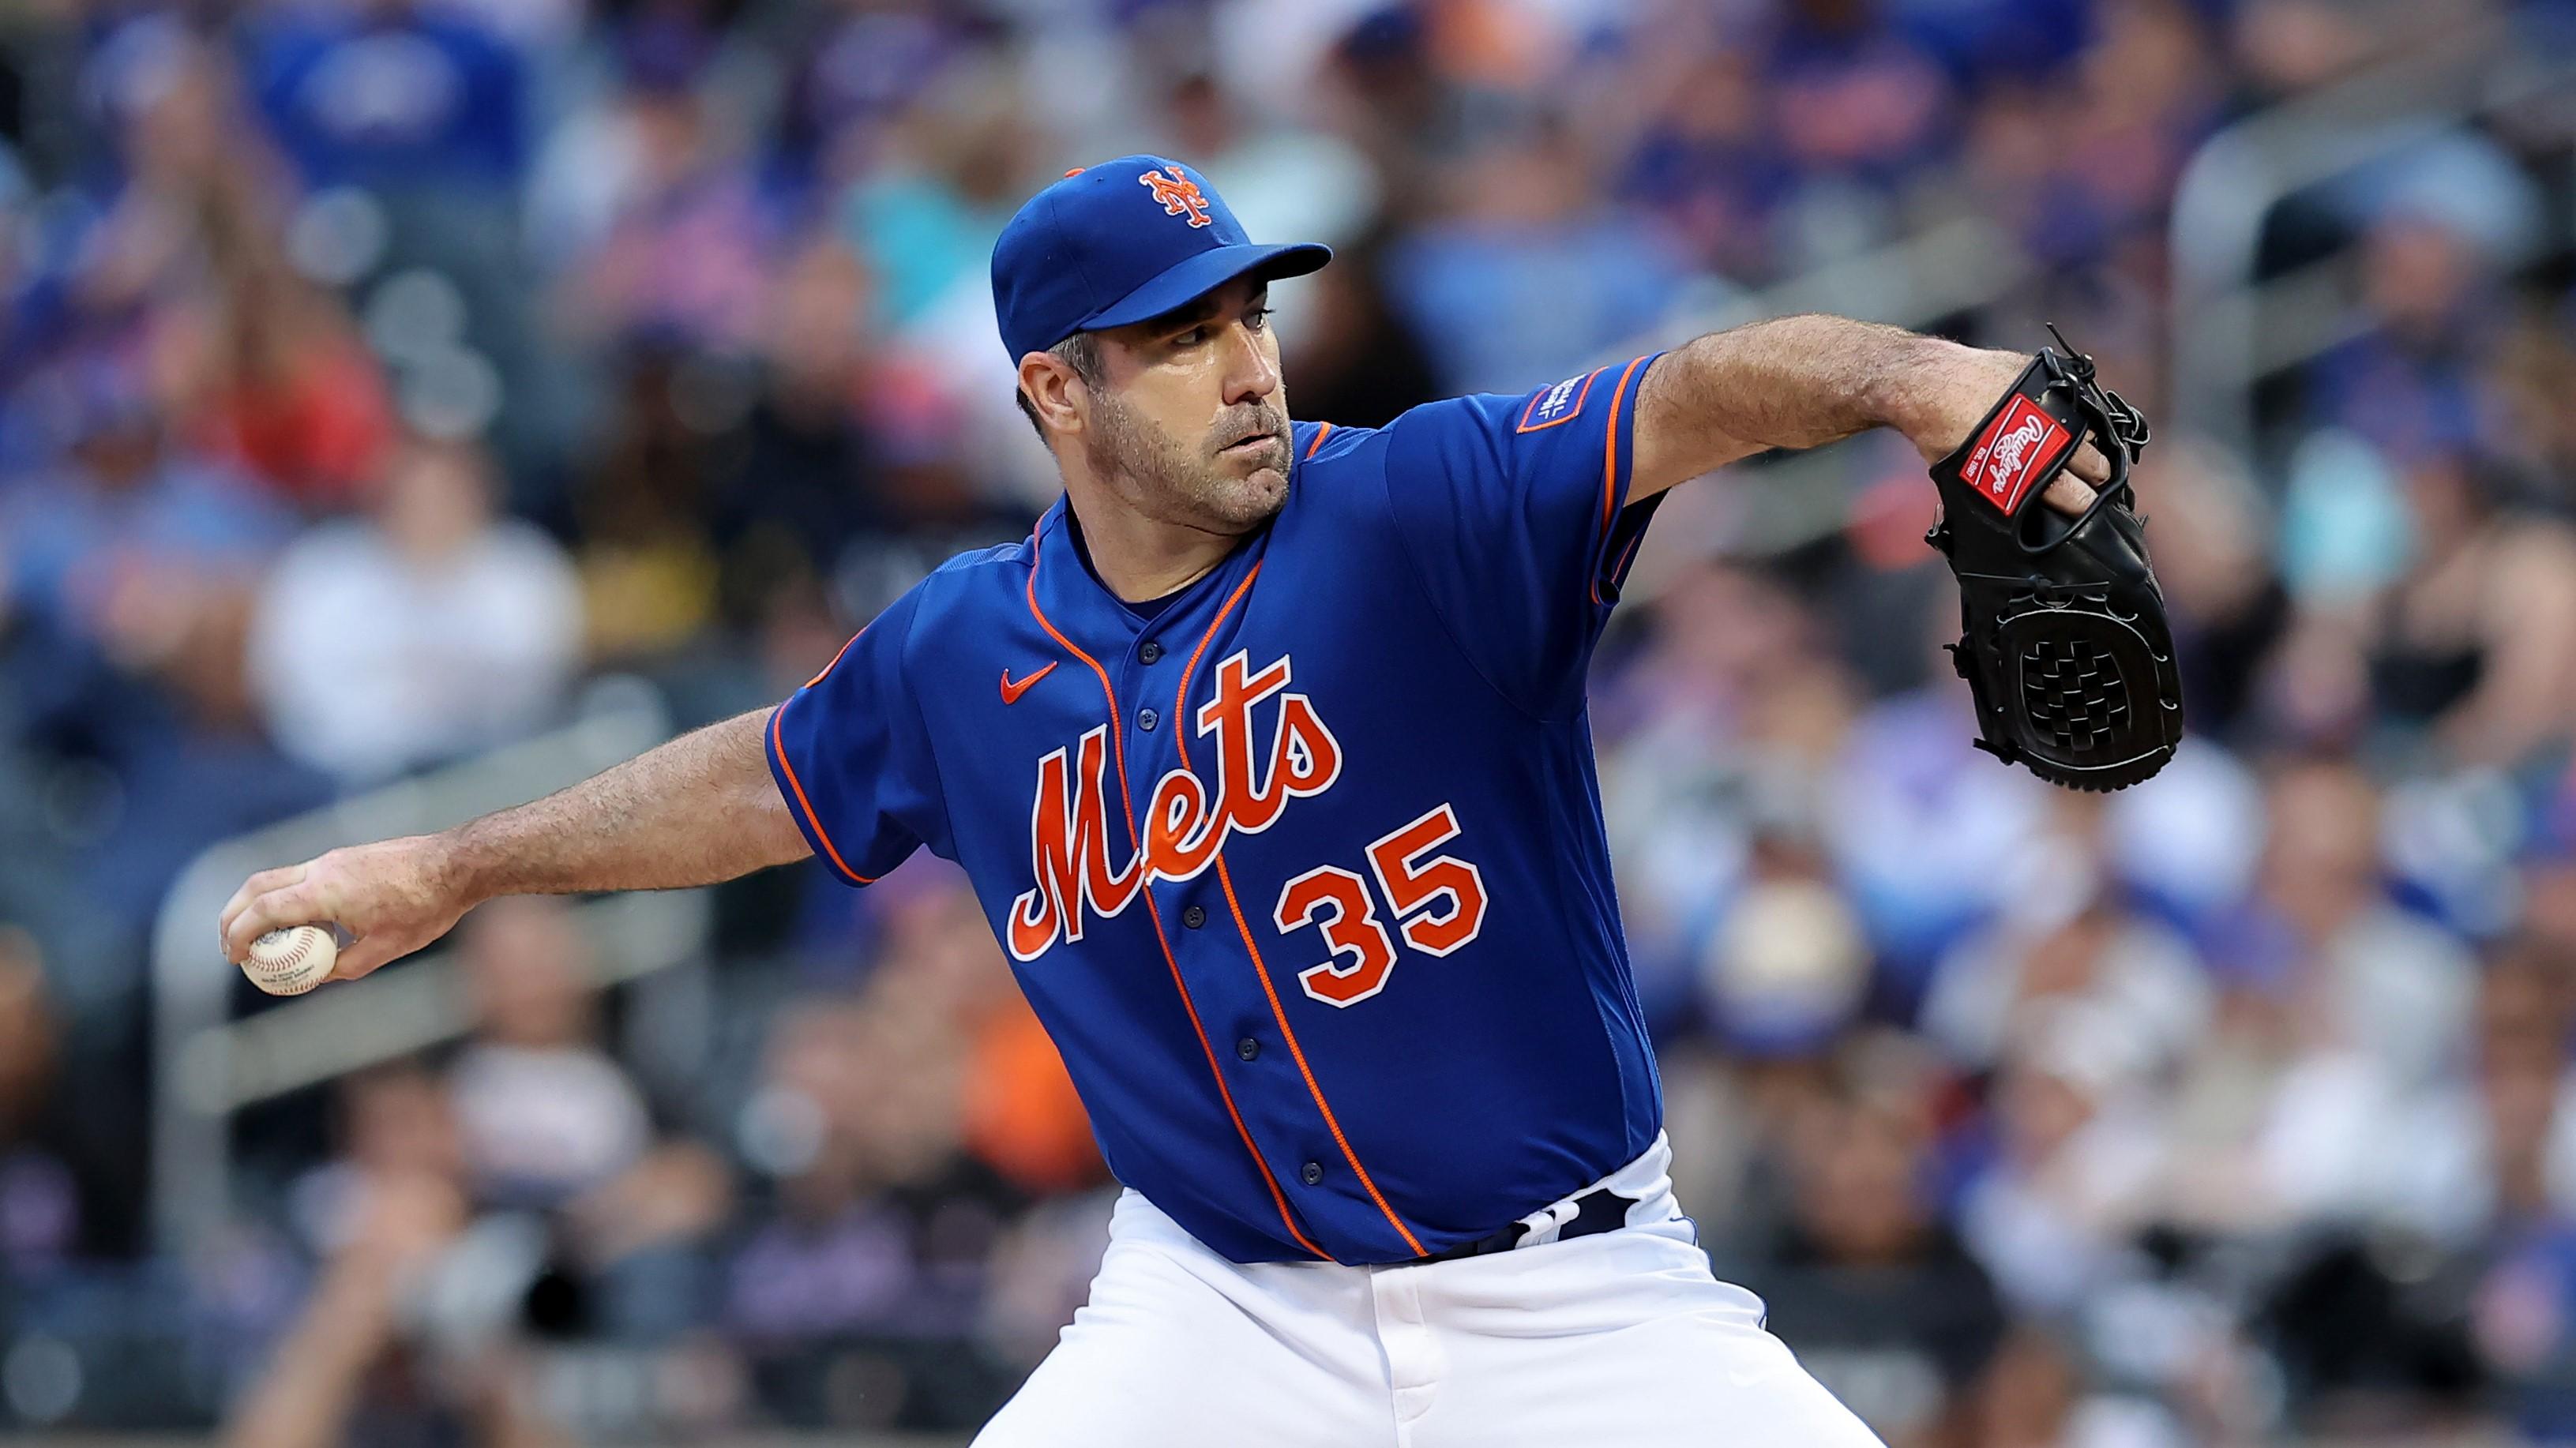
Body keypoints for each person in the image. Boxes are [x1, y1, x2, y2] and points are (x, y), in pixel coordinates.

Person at [220, 155, 2116, 1445]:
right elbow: (758, 781)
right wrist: (454, 864)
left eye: (1250, 315)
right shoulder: (965, 650)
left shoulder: (1415, 508)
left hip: (1576, 1298)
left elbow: (1693, 394)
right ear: (1053, 388)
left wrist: (1911, 376)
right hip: (1223, 1313)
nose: (1244, 368)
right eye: (1180, 336)